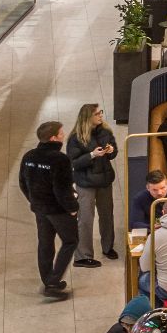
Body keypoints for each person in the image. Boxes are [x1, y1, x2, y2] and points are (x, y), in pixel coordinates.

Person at [19, 120, 80, 299]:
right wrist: (72, 208)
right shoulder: (60, 159)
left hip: (39, 209)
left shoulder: (29, 156)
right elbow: (62, 189)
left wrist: (34, 200)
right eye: (61, 133)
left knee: (45, 243)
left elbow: (23, 183)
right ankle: (53, 283)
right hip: (58, 210)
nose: (63, 135)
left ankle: (48, 279)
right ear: (54, 138)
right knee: (70, 241)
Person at [66, 103, 117, 269]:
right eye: (97, 113)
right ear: (88, 118)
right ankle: (82, 256)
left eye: (100, 112)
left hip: (104, 181)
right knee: (86, 219)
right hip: (85, 183)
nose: (100, 115)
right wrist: (92, 155)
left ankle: (108, 247)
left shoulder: (106, 131)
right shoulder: (76, 138)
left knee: (107, 215)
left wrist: (111, 150)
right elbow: (74, 163)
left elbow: (114, 152)